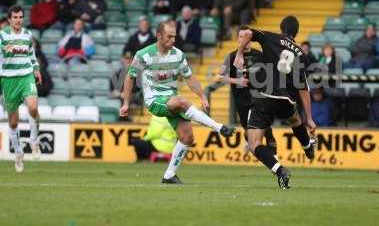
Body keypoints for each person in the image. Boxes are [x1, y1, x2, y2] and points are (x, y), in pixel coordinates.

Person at [120, 21, 234, 184]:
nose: (173, 40)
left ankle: (169, 175)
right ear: (159, 36)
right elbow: (130, 76)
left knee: (187, 138)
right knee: (182, 101)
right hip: (155, 101)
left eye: (174, 36)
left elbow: (190, 78)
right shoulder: (143, 54)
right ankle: (219, 128)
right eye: (169, 36)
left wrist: (202, 95)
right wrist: (126, 103)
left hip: (172, 100)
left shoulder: (178, 55)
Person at [234, 16, 317, 189]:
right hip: (286, 100)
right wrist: (309, 118)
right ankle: (307, 145)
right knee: (295, 120)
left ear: (281, 28)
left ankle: (280, 171)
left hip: (265, 96)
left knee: (254, 144)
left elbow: (248, 32)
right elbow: (303, 89)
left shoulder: (271, 37)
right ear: (296, 32)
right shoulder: (301, 53)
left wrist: (239, 53)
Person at [219, 27, 277, 153]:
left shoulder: (260, 55)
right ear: (237, 39)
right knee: (248, 131)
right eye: (241, 36)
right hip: (242, 100)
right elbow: (221, 77)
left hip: (259, 97)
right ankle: (261, 150)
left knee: (263, 126)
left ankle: (272, 146)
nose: (245, 39)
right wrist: (237, 81)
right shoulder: (231, 56)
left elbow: (271, 73)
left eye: (247, 36)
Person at [0, 6, 43, 172]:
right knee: (13, 121)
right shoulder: (3, 35)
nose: (18, 20)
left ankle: (34, 140)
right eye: (15, 17)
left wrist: (36, 69)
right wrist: (4, 49)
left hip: (26, 76)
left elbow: (31, 54)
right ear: (9, 19)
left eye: (20, 17)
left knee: (33, 107)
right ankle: (18, 152)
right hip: (9, 79)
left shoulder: (27, 35)